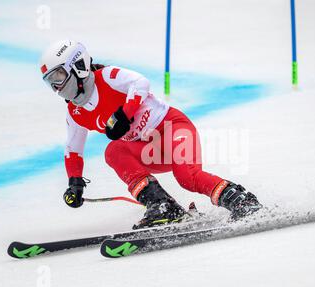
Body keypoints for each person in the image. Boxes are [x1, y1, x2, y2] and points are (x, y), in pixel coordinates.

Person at [40, 40, 262, 229]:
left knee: (188, 177)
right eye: (51, 82)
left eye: (59, 76)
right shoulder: (75, 112)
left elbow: (140, 82)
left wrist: (125, 113)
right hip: (149, 150)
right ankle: (162, 206)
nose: (57, 87)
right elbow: (73, 150)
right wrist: (75, 182)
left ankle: (242, 202)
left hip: (173, 128)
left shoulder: (107, 77)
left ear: (77, 65)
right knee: (114, 151)